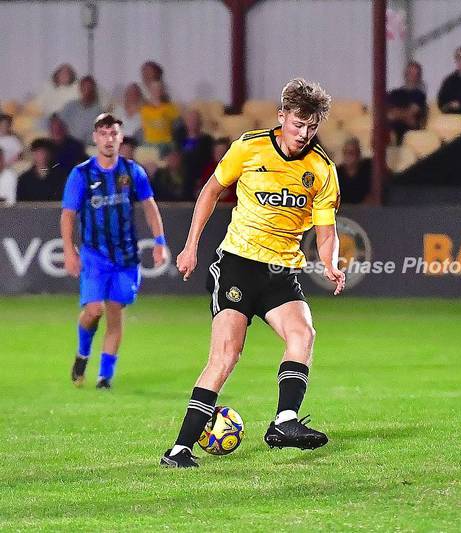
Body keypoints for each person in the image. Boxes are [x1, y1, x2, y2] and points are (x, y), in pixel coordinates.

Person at [160, 78, 345, 468]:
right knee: (227, 355)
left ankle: (284, 421)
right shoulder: (249, 147)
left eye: (311, 127)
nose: (303, 134)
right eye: (298, 124)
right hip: (237, 266)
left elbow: (326, 231)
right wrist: (191, 246)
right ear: (282, 117)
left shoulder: (322, 169)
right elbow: (211, 191)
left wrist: (331, 261)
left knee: (303, 334)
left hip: (281, 272)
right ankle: (179, 449)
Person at [61, 113, 167, 389]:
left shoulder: (132, 172)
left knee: (115, 312)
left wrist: (160, 242)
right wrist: (69, 250)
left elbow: (150, 207)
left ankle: (104, 377)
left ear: (120, 138)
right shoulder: (82, 174)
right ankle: (83, 353)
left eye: (113, 134)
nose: (109, 139)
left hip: (126, 258)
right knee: (93, 310)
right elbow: (68, 214)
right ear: (95, 138)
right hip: (95, 255)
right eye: (103, 134)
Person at [387, 61, 427, 142]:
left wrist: (396, 114)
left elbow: (412, 113)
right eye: (410, 73)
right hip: (392, 129)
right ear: (405, 74)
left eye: (416, 74)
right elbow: (388, 114)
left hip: (410, 130)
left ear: (419, 76)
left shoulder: (419, 95)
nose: (413, 76)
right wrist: (405, 117)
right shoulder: (395, 93)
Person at [60, 76, 105, 145]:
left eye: (89, 88)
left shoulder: (98, 111)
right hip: (67, 143)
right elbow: (59, 123)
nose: (87, 91)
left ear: (94, 90)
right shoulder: (70, 106)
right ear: (80, 89)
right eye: (84, 88)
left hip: (87, 146)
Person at [140, 80, 180, 156]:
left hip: (166, 142)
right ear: (150, 91)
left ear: (162, 91)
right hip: (149, 142)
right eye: (154, 89)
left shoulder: (170, 107)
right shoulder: (144, 109)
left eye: (158, 89)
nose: (156, 92)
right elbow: (143, 127)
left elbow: (177, 125)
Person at [337, 137, 371, 204]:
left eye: (351, 153)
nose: (348, 156)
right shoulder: (337, 173)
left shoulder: (366, 170)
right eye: (345, 152)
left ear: (358, 154)